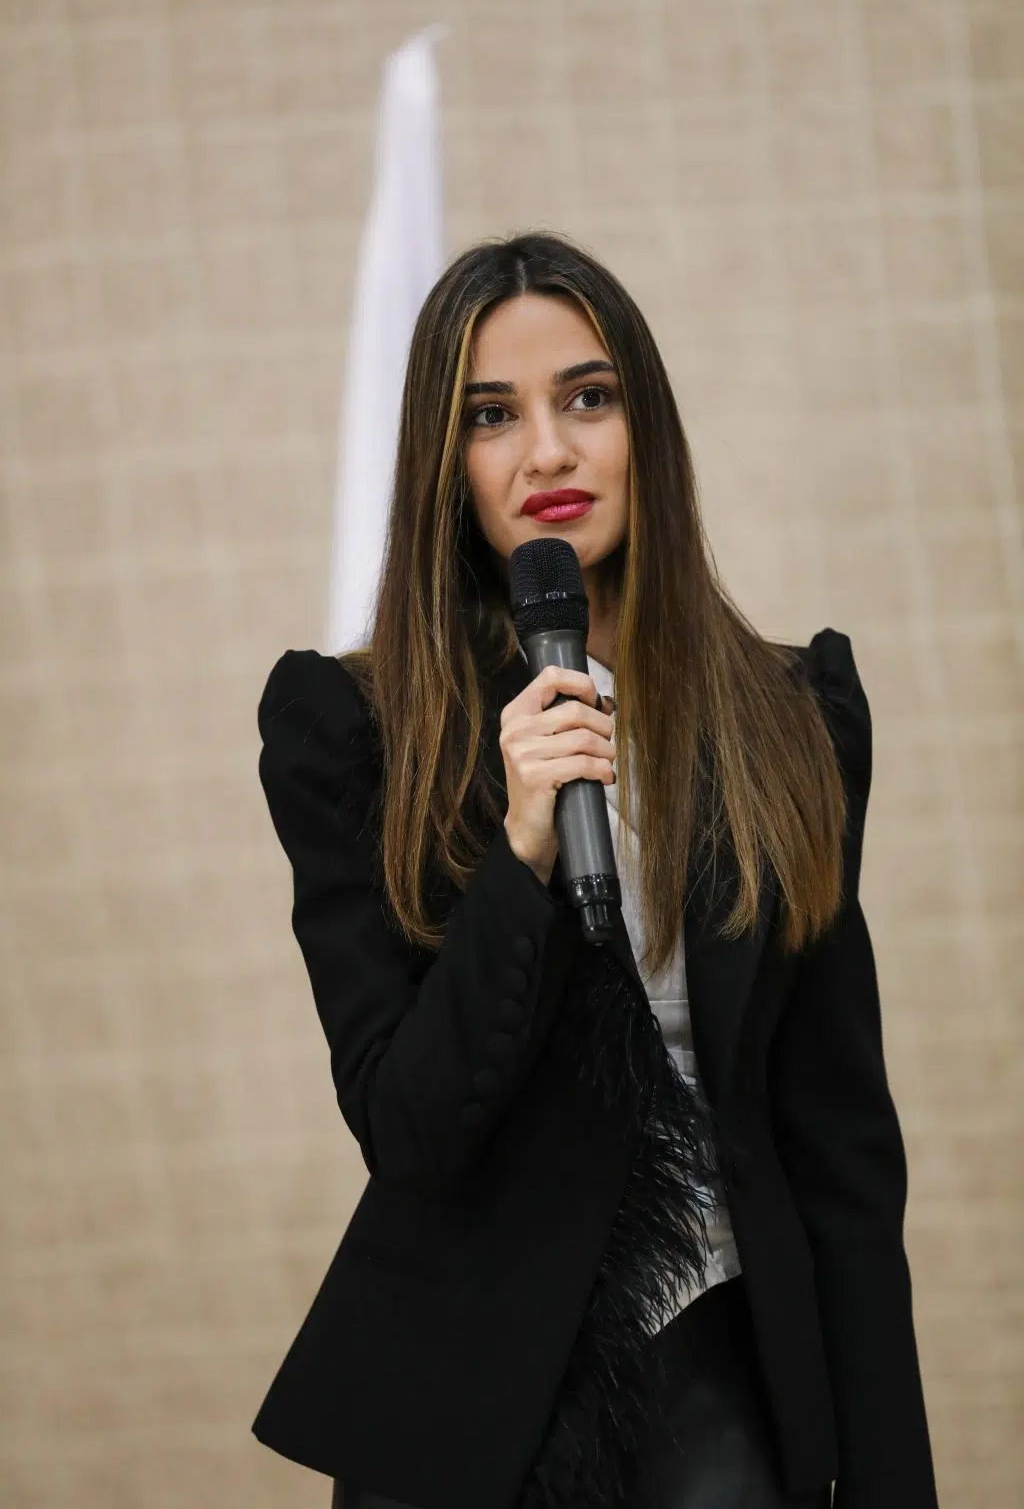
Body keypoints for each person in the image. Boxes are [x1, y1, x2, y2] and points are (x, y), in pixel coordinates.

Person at [250, 232, 939, 1509]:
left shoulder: (795, 716)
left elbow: (844, 1149)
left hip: (723, 1354)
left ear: (645, 428)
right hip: (470, 1408)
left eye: (587, 398)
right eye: (491, 416)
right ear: (444, 464)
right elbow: (407, 1127)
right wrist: (519, 855)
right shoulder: (349, 730)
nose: (547, 453)